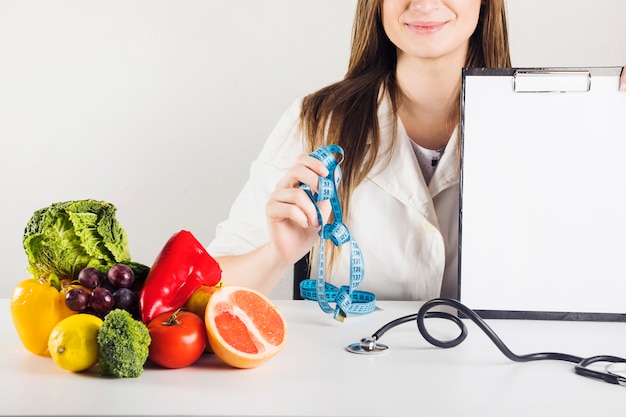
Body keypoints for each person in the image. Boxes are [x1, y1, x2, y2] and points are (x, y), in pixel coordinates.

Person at [207, 0, 626, 301]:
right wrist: (277, 255)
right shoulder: (316, 120)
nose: (424, 2)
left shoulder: (558, 124)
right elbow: (207, 286)